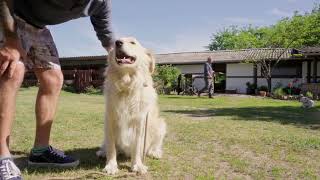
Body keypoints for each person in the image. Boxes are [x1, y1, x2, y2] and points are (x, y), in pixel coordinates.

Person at [0, 0, 114, 179]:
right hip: (10, 16)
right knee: (12, 69)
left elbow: (107, 36)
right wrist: (11, 39)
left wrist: (125, 61)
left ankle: (40, 151)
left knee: (53, 79)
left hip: (38, 27)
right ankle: (2, 156)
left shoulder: (100, 4)